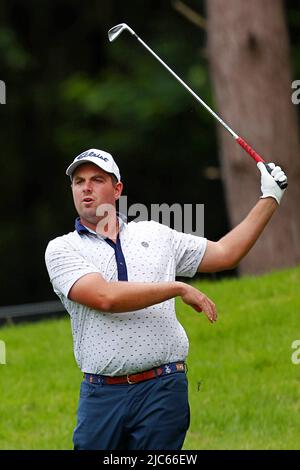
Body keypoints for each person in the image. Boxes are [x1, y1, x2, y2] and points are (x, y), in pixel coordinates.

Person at [45, 148, 287, 450]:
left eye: (97, 179)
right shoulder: (62, 249)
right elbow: (104, 297)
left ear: (117, 189)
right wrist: (177, 288)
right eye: (79, 181)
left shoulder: (155, 234)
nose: (86, 188)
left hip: (163, 389)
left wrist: (269, 198)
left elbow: (226, 254)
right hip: (102, 395)